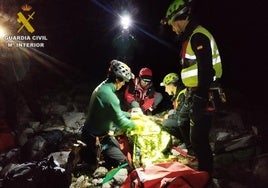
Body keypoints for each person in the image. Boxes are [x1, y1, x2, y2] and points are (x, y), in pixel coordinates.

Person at [161, 0, 223, 175]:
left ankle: (206, 174)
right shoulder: (191, 37)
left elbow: (206, 69)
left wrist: (200, 98)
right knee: (188, 128)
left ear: (179, 19)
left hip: (203, 93)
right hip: (195, 92)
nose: (173, 29)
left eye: (172, 24)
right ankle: (201, 165)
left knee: (199, 137)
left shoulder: (198, 36)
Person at [80, 59, 136, 173]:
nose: (124, 84)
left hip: (95, 133)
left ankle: (106, 158)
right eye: (124, 81)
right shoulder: (109, 96)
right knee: (127, 166)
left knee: (119, 148)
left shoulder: (103, 88)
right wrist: (139, 124)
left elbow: (113, 112)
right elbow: (120, 122)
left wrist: (130, 115)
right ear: (117, 79)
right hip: (96, 139)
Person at [160, 72, 194, 156]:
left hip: (190, 123)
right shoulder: (179, 94)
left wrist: (168, 117)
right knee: (170, 113)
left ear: (171, 85)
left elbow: (181, 115)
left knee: (166, 123)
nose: (165, 90)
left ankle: (188, 143)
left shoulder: (182, 94)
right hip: (190, 122)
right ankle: (185, 140)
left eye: (165, 86)